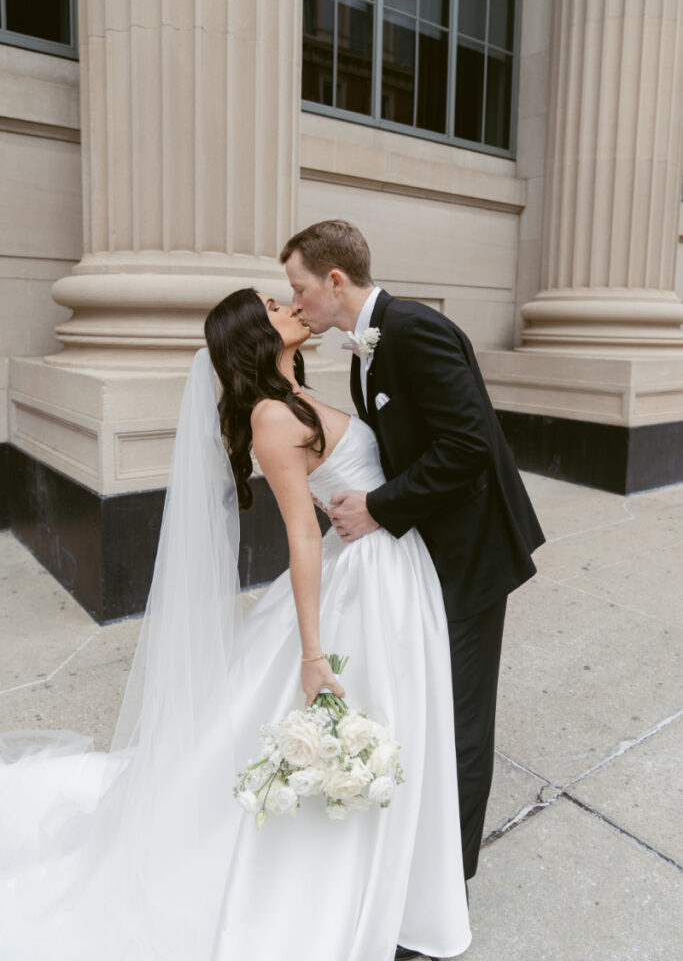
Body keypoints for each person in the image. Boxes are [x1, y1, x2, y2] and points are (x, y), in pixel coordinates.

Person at [0, 286, 472, 961]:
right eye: (274, 302)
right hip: (353, 581)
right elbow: (300, 537)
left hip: (387, 569)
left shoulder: (299, 393)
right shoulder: (273, 418)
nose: (291, 304)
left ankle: (395, 878)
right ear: (255, 332)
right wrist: (313, 654)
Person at [281, 219, 545, 957]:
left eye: (299, 287)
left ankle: (441, 901)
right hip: (427, 549)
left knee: (459, 721)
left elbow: (468, 441)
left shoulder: (412, 330)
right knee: (432, 710)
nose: (294, 302)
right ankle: (420, 876)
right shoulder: (368, 343)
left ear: (336, 281)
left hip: (469, 554)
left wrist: (380, 506)